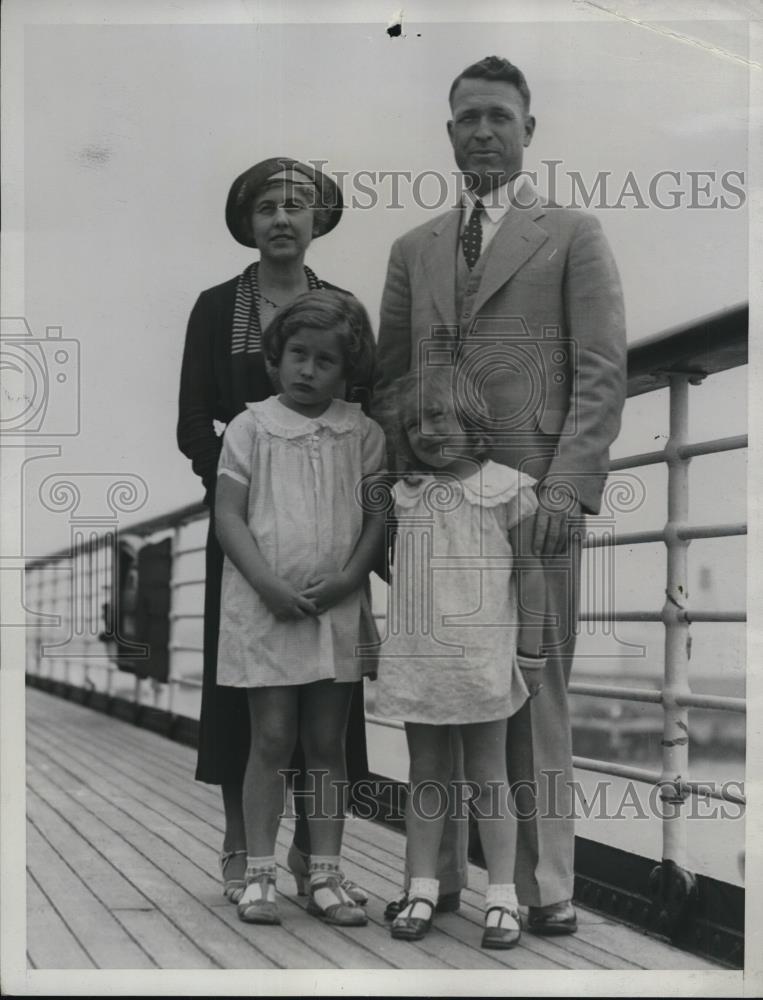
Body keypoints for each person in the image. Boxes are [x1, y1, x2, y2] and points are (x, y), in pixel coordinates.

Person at [373, 55, 627, 935]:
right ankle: (437, 876)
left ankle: (547, 883)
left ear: (528, 130)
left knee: (535, 682)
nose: (484, 130)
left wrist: (567, 486)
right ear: (449, 134)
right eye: (468, 117)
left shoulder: (573, 232)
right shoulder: (413, 251)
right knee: (444, 683)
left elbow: (599, 372)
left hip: (532, 508)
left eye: (500, 117)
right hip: (435, 513)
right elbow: (388, 383)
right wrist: (392, 498)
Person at [177, 157, 374, 908]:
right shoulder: (215, 306)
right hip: (246, 534)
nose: (282, 218)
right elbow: (193, 418)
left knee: (327, 712)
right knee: (245, 706)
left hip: (330, 538)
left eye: (298, 204)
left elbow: (368, 409)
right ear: (248, 221)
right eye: (267, 206)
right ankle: (242, 844)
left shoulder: (344, 307)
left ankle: (311, 857)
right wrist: (241, 492)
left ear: (319, 218)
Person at [214, 289, 386, 926]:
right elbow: (228, 516)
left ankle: (324, 872)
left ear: (347, 371)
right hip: (268, 609)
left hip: (334, 609)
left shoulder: (362, 433)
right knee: (273, 738)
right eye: (298, 355)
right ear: (276, 356)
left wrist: (348, 580)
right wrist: (266, 584)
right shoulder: (250, 427)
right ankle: (258, 871)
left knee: (326, 742)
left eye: (325, 361)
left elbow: (376, 519)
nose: (309, 370)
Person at [374, 367, 547, 949]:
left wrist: (533, 651)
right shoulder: (405, 494)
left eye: (439, 417)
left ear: (475, 424)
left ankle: (501, 895)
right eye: (414, 423)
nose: (425, 431)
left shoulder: (507, 488)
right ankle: (422, 886)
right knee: (426, 774)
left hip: (483, 657)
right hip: (420, 656)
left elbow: (529, 572)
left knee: (489, 777)